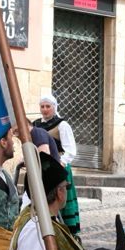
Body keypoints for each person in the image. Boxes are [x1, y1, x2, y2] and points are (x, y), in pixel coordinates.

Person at [35, 92, 81, 235]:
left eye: (48, 106)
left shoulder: (62, 125)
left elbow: (70, 149)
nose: (45, 109)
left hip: (59, 165)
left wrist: (62, 162)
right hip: (42, 167)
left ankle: (68, 232)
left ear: (54, 107)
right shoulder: (36, 125)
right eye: (42, 106)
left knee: (62, 200)